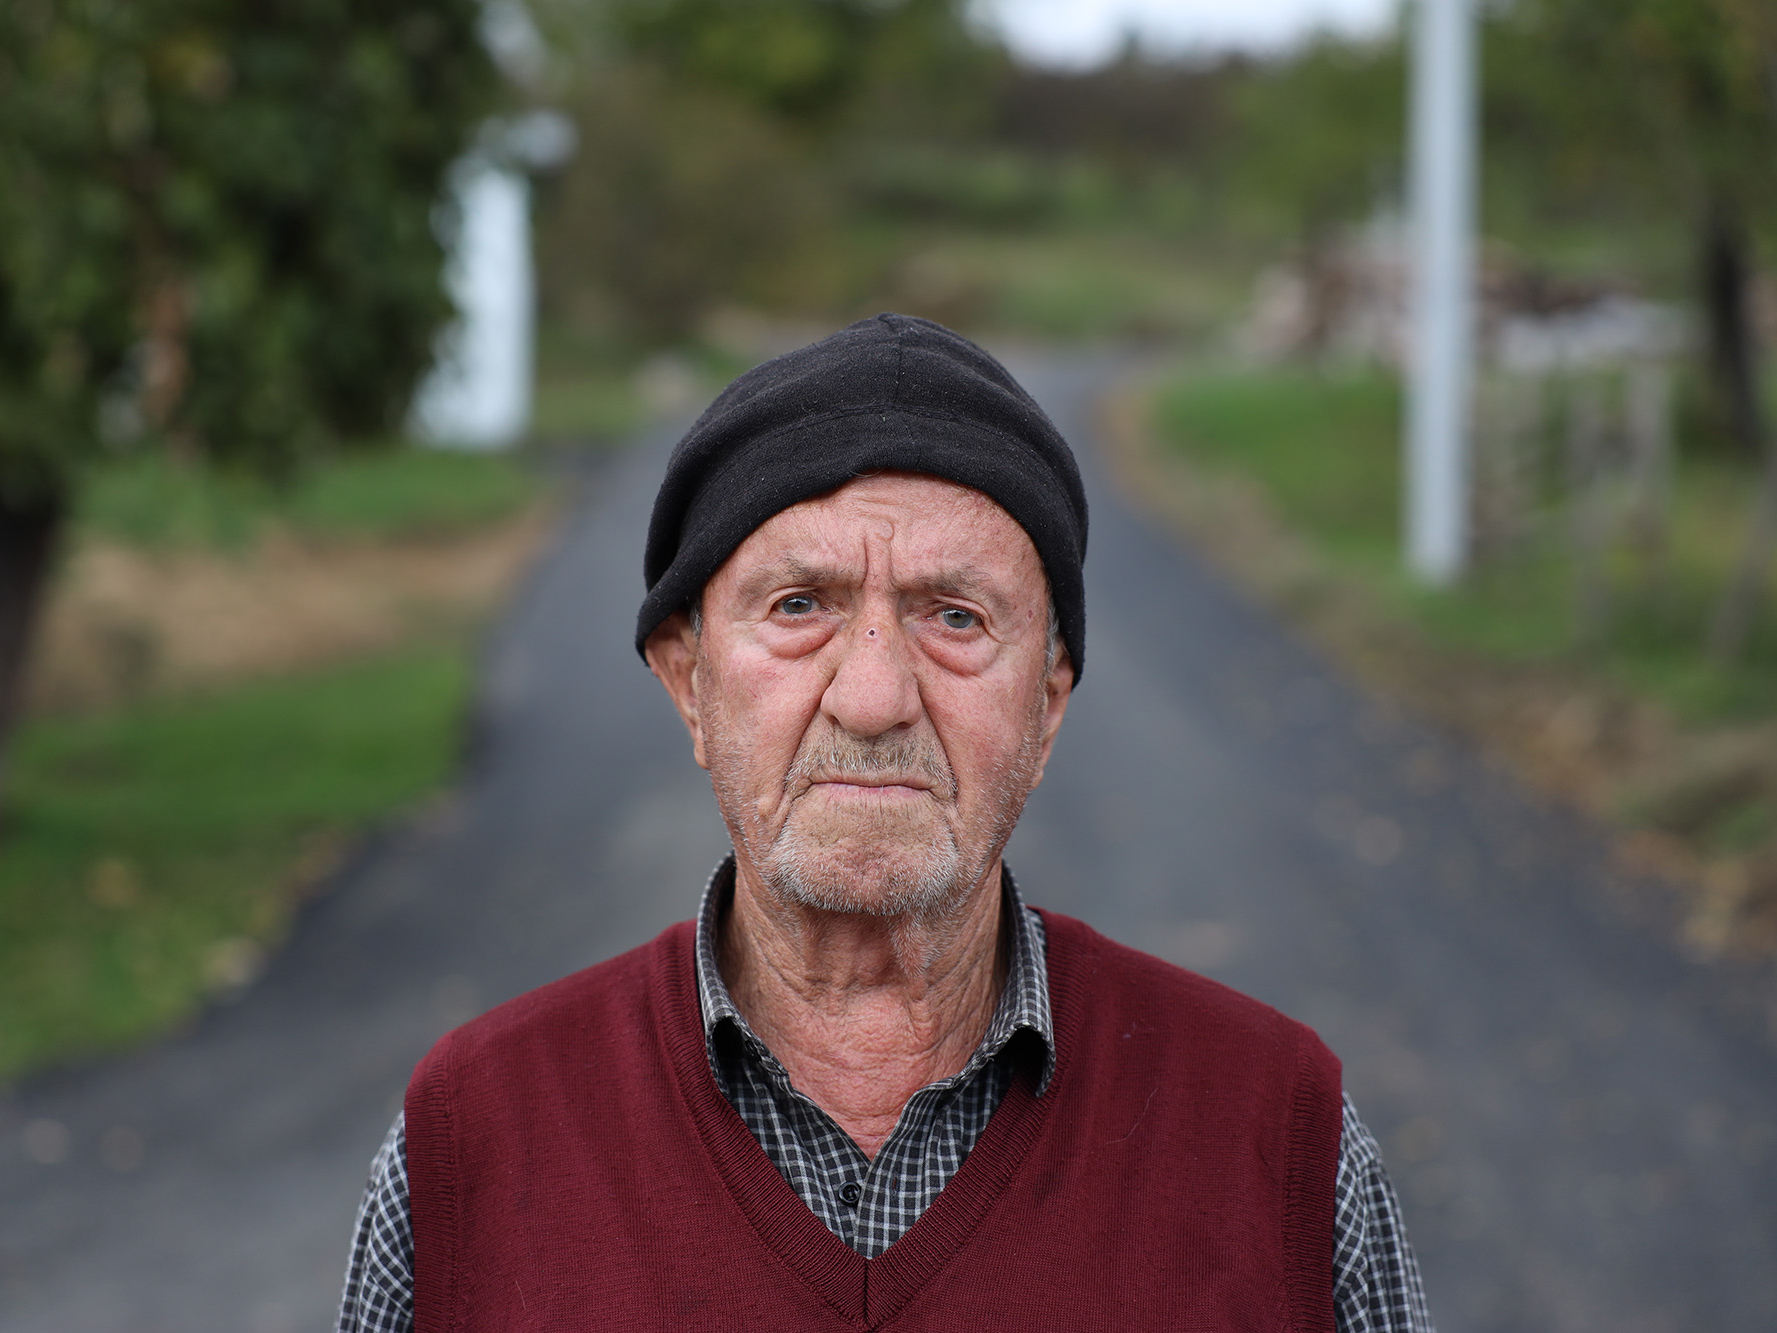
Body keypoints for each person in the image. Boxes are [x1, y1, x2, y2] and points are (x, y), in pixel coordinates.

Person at [338, 314, 1433, 1331]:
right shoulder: (473, 1140)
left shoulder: (1279, 1142)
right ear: (688, 682)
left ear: (1046, 705)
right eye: (799, 606)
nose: (872, 698)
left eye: (954, 616)